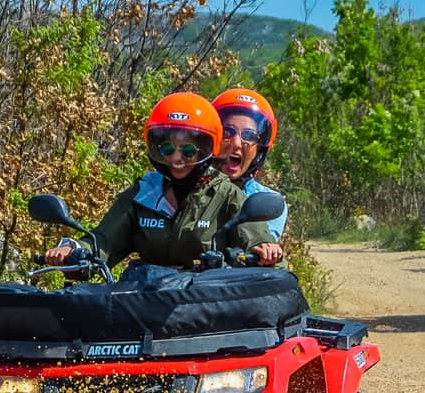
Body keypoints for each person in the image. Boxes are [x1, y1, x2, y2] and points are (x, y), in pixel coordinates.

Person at [43, 91, 284, 267]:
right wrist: (73, 251)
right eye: (168, 149)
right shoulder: (143, 193)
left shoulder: (227, 194)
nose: (177, 159)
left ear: (206, 149)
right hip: (146, 304)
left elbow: (255, 236)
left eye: (188, 151)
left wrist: (264, 249)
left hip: (208, 313)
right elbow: (104, 240)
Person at [212, 87, 287, 240]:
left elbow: (261, 246)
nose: (237, 144)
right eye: (227, 132)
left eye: (249, 135)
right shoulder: (185, 189)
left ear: (260, 149)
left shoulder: (267, 201)